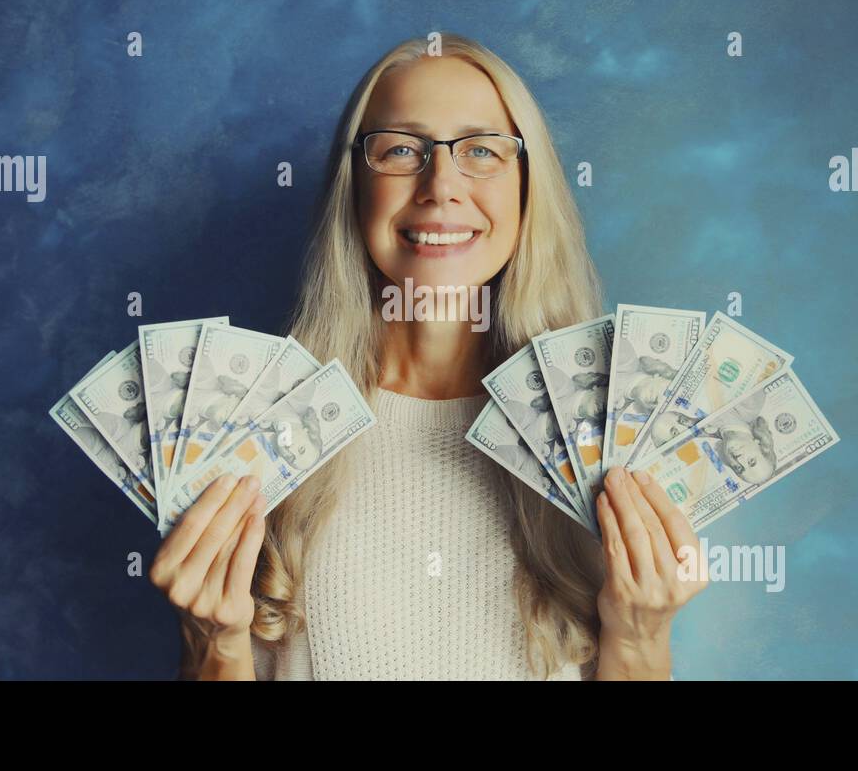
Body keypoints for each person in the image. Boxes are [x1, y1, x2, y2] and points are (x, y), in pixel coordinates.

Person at [149, 34, 708, 680]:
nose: (441, 186)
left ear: (530, 189)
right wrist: (212, 643)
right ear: (354, 188)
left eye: (480, 150)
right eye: (400, 150)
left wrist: (640, 640)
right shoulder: (250, 430)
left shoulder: (615, 438)